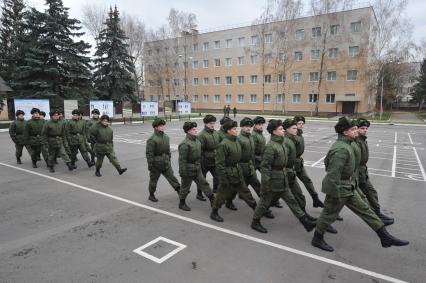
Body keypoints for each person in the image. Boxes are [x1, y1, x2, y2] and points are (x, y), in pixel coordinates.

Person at [311, 117, 409, 252]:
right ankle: (317, 238)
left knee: (366, 210)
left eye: (357, 128)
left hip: (349, 186)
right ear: (345, 132)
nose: (356, 131)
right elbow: (332, 173)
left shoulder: (350, 144)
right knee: (328, 214)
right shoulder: (341, 149)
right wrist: (336, 193)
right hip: (339, 188)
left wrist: (354, 184)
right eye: (353, 129)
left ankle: (385, 237)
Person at [250, 119, 316, 233]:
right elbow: (265, 167)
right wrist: (265, 185)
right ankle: (255, 221)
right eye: (280, 129)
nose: (283, 130)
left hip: (283, 177)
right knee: (264, 202)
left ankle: (305, 222)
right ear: (274, 132)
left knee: (291, 200)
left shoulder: (281, 143)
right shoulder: (271, 146)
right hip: (273, 180)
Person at [210, 119, 257, 222]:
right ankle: (214, 212)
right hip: (227, 173)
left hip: (237, 172)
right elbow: (219, 164)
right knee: (221, 195)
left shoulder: (236, 140)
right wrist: (223, 178)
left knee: (245, 192)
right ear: (228, 131)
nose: (236, 130)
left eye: (236, 128)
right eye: (234, 129)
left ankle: (257, 210)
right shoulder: (224, 144)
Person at [356, 118, 394, 225]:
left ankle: (377, 213)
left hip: (363, 173)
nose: (365, 130)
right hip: (357, 175)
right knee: (347, 199)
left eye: (366, 128)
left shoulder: (362, 140)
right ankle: (329, 215)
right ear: (357, 129)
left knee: (371, 193)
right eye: (362, 128)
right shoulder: (356, 142)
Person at [237, 117, 274, 218]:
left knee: (256, 184)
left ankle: (263, 207)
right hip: (243, 166)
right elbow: (238, 155)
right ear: (241, 127)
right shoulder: (241, 138)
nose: (249, 128)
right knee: (232, 190)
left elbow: (252, 152)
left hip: (251, 165)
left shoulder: (251, 136)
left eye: (250, 126)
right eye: (246, 126)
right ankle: (220, 205)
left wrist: (252, 166)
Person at [178, 121, 215, 211]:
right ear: (188, 131)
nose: (195, 130)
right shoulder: (185, 144)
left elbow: (200, 154)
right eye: (193, 129)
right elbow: (182, 160)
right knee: (185, 187)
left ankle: (212, 199)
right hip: (188, 169)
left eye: (195, 129)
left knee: (204, 184)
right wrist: (183, 172)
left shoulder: (197, 141)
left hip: (197, 168)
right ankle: (182, 203)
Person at [145, 118, 180, 202]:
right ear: (156, 127)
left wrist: (169, 159)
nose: (163, 127)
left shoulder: (166, 137)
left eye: (163, 125)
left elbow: (168, 150)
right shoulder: (152, 139)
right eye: (160, 126)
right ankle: (151, 194)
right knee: (153, 181)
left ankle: (180, 191)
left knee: (172, 178)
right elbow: (149, 154)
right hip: (156, 164)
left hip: (166, 162)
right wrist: (150, 165)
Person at [293, 116, 325, 208]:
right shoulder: (293, 136)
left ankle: (315, 199)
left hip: (299, 162)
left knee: (307, 180)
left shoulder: (300, 135)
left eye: (303, 123)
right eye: (299, 123)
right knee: (288, 186)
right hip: (292, 164)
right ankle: (271, 200)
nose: (301, 125)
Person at [198, 115, 220, 196]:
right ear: (206, 124)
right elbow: (200, 150)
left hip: (214, 160)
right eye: (210, 123)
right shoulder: (202, 135)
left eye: (213, 123)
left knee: (217, 176)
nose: (212, 125)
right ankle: (199, 193)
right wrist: (201, 162)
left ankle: (215, 189)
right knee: (202, 179)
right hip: (205, 161)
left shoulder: (215, 133)